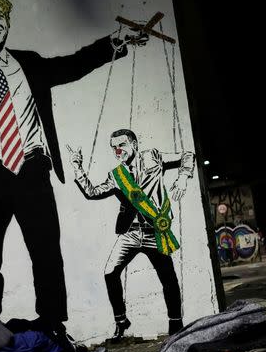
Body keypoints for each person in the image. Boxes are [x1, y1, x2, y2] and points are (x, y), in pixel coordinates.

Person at [0, 0, 147, 339]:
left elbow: (70, 66)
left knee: (46, 253)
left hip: (31, 169)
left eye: (0, 17)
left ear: (9, 23)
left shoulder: (27, 62)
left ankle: (54, 325)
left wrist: (111, 46)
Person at [68, 129, 194, 338]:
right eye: (114, 147)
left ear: (134, 144)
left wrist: (183, 177)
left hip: (155, 231)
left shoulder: (152, 157)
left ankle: (176, 323)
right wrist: (77, 167)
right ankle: (121, 321)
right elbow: (91, 192)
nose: (118, 150)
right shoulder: (116, 175)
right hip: (130, 233)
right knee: (110, 273)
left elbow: (188, 155)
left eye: (122, 145)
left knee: (168, 277)